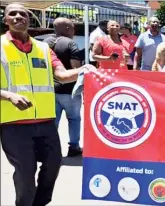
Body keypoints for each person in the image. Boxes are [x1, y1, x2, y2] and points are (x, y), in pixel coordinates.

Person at [0, 4, 95, 206]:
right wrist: (9, 95)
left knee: (53, 165)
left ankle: (40, 203)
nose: (18, 17)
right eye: (12, 14)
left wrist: (84, 70)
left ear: (29, 19)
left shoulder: (43, 48)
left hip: (46, 122)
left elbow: (61, 75)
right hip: (13, 124)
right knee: (26, 171)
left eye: (23, 14)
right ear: (5, 20)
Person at [43, 17, 83, 157]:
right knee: (74, 119)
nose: (74, 30)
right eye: (72, 27)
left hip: (49, 90)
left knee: (53, 121)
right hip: (69, 90)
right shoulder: (71, 43)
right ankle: (74, 147)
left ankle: (49, 149)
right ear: (67, 28)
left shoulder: (44, 43)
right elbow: (75, 67)